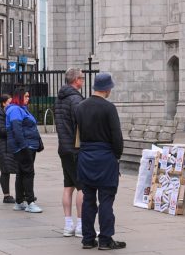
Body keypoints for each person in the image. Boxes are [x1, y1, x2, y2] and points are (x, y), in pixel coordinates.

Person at [75, 72, 126, 250]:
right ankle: (105, 239)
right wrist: (117, 156)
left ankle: (87, 238)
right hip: (105, 156)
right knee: (106, 199)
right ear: (107, 89)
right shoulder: (109, 108)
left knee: (88, 199)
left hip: (86, 156)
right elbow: (117, 137)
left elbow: (78, 135)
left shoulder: (80, 107)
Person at [54, 68, 85, 237]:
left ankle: (68, 225)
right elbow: (82, 124)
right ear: (76, 80)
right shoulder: (76, 100)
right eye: (82, 78)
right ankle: (81, 225)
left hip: (63, 147)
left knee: (68, 187)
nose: (83, 81)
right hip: (76, 148)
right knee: (82, 187)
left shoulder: (60, 99)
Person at [5, 88, 43, 213]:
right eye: (26, 96)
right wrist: (24, 147)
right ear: (19, 97)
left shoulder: (20, 109)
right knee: (28, 173)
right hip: (24, 146)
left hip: (27, 145)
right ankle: (30, 202)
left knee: (21, 173)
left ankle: (19, 201)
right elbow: (17, 129)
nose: (28, 98)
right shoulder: (16, 110)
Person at [0, 94, 18, 204]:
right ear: (4, 103)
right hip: (2, 146)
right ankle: (6, 195)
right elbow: (1, 131)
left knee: (17, 170)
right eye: (9, 102)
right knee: (5, 171)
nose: (11, 104)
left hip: (11, 145)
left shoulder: (9, 113)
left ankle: (21, 193)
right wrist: (14, 129)